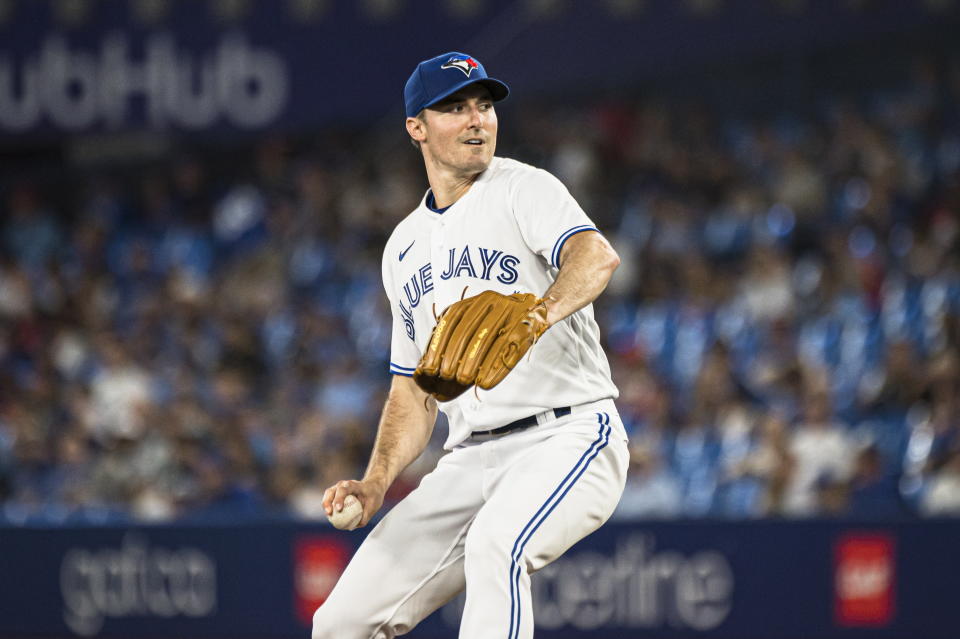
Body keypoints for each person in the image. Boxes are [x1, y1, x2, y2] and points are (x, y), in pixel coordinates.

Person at [312, 51, 629, 639]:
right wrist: (375, 481)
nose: (477, 119)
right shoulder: (402, 248)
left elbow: (596, 256)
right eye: (455, 108)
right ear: (416, 127)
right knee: (339, 622)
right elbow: (413, 388)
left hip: (568, 435)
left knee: (496, 546)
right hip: (467, 459)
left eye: (484, 105)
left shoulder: (522, 188)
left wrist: (538, 315)